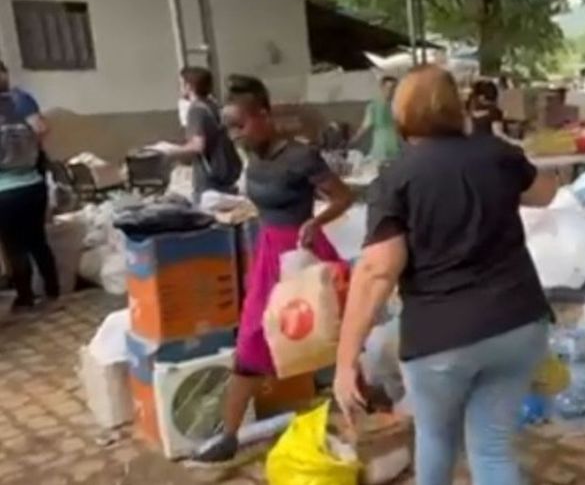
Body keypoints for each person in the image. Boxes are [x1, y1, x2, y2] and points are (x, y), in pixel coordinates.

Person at [334, 65, 557, 485]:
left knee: (436, 439)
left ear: (401, 114)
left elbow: (378, 271)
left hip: (440, 340)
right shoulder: (496, 154)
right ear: (457, 108)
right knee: (492, 448)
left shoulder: (396, 178)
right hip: (518, 322)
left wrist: (346, 361)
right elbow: (545, 192)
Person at [188, 75, 354, 467]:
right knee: (251, 339)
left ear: (264, 115)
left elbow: (344, 196)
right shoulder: (254, 156)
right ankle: (227, 436)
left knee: (332, 335)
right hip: (265, 254)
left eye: (240, 125)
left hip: (300, 255)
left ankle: (364, 408)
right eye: (229, 127)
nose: (235, 135)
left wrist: (317, 221)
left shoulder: (300, 156)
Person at [0, 60, 58, 312]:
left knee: (13, 246)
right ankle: (53, 291)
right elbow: (42, 128)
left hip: (4, 189)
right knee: (38, 240)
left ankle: (26, 298)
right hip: (33, 183)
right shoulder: (21, 99)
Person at [162, 67, 243, 202]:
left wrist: (170, 150)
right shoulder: (213, 105)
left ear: (189, 86)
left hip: (210, 178)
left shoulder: (196, 110)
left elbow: (198, 146)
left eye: (181, 84)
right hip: (226, 172)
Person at [353, 76, 402, 161]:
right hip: (380, 145)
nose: (390, 91)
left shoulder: (397, 105)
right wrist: (354, 140)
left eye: (393, 87)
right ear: (382, 87)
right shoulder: (373, 106)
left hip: (394, 144)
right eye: (388, 88)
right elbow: (365, 126)